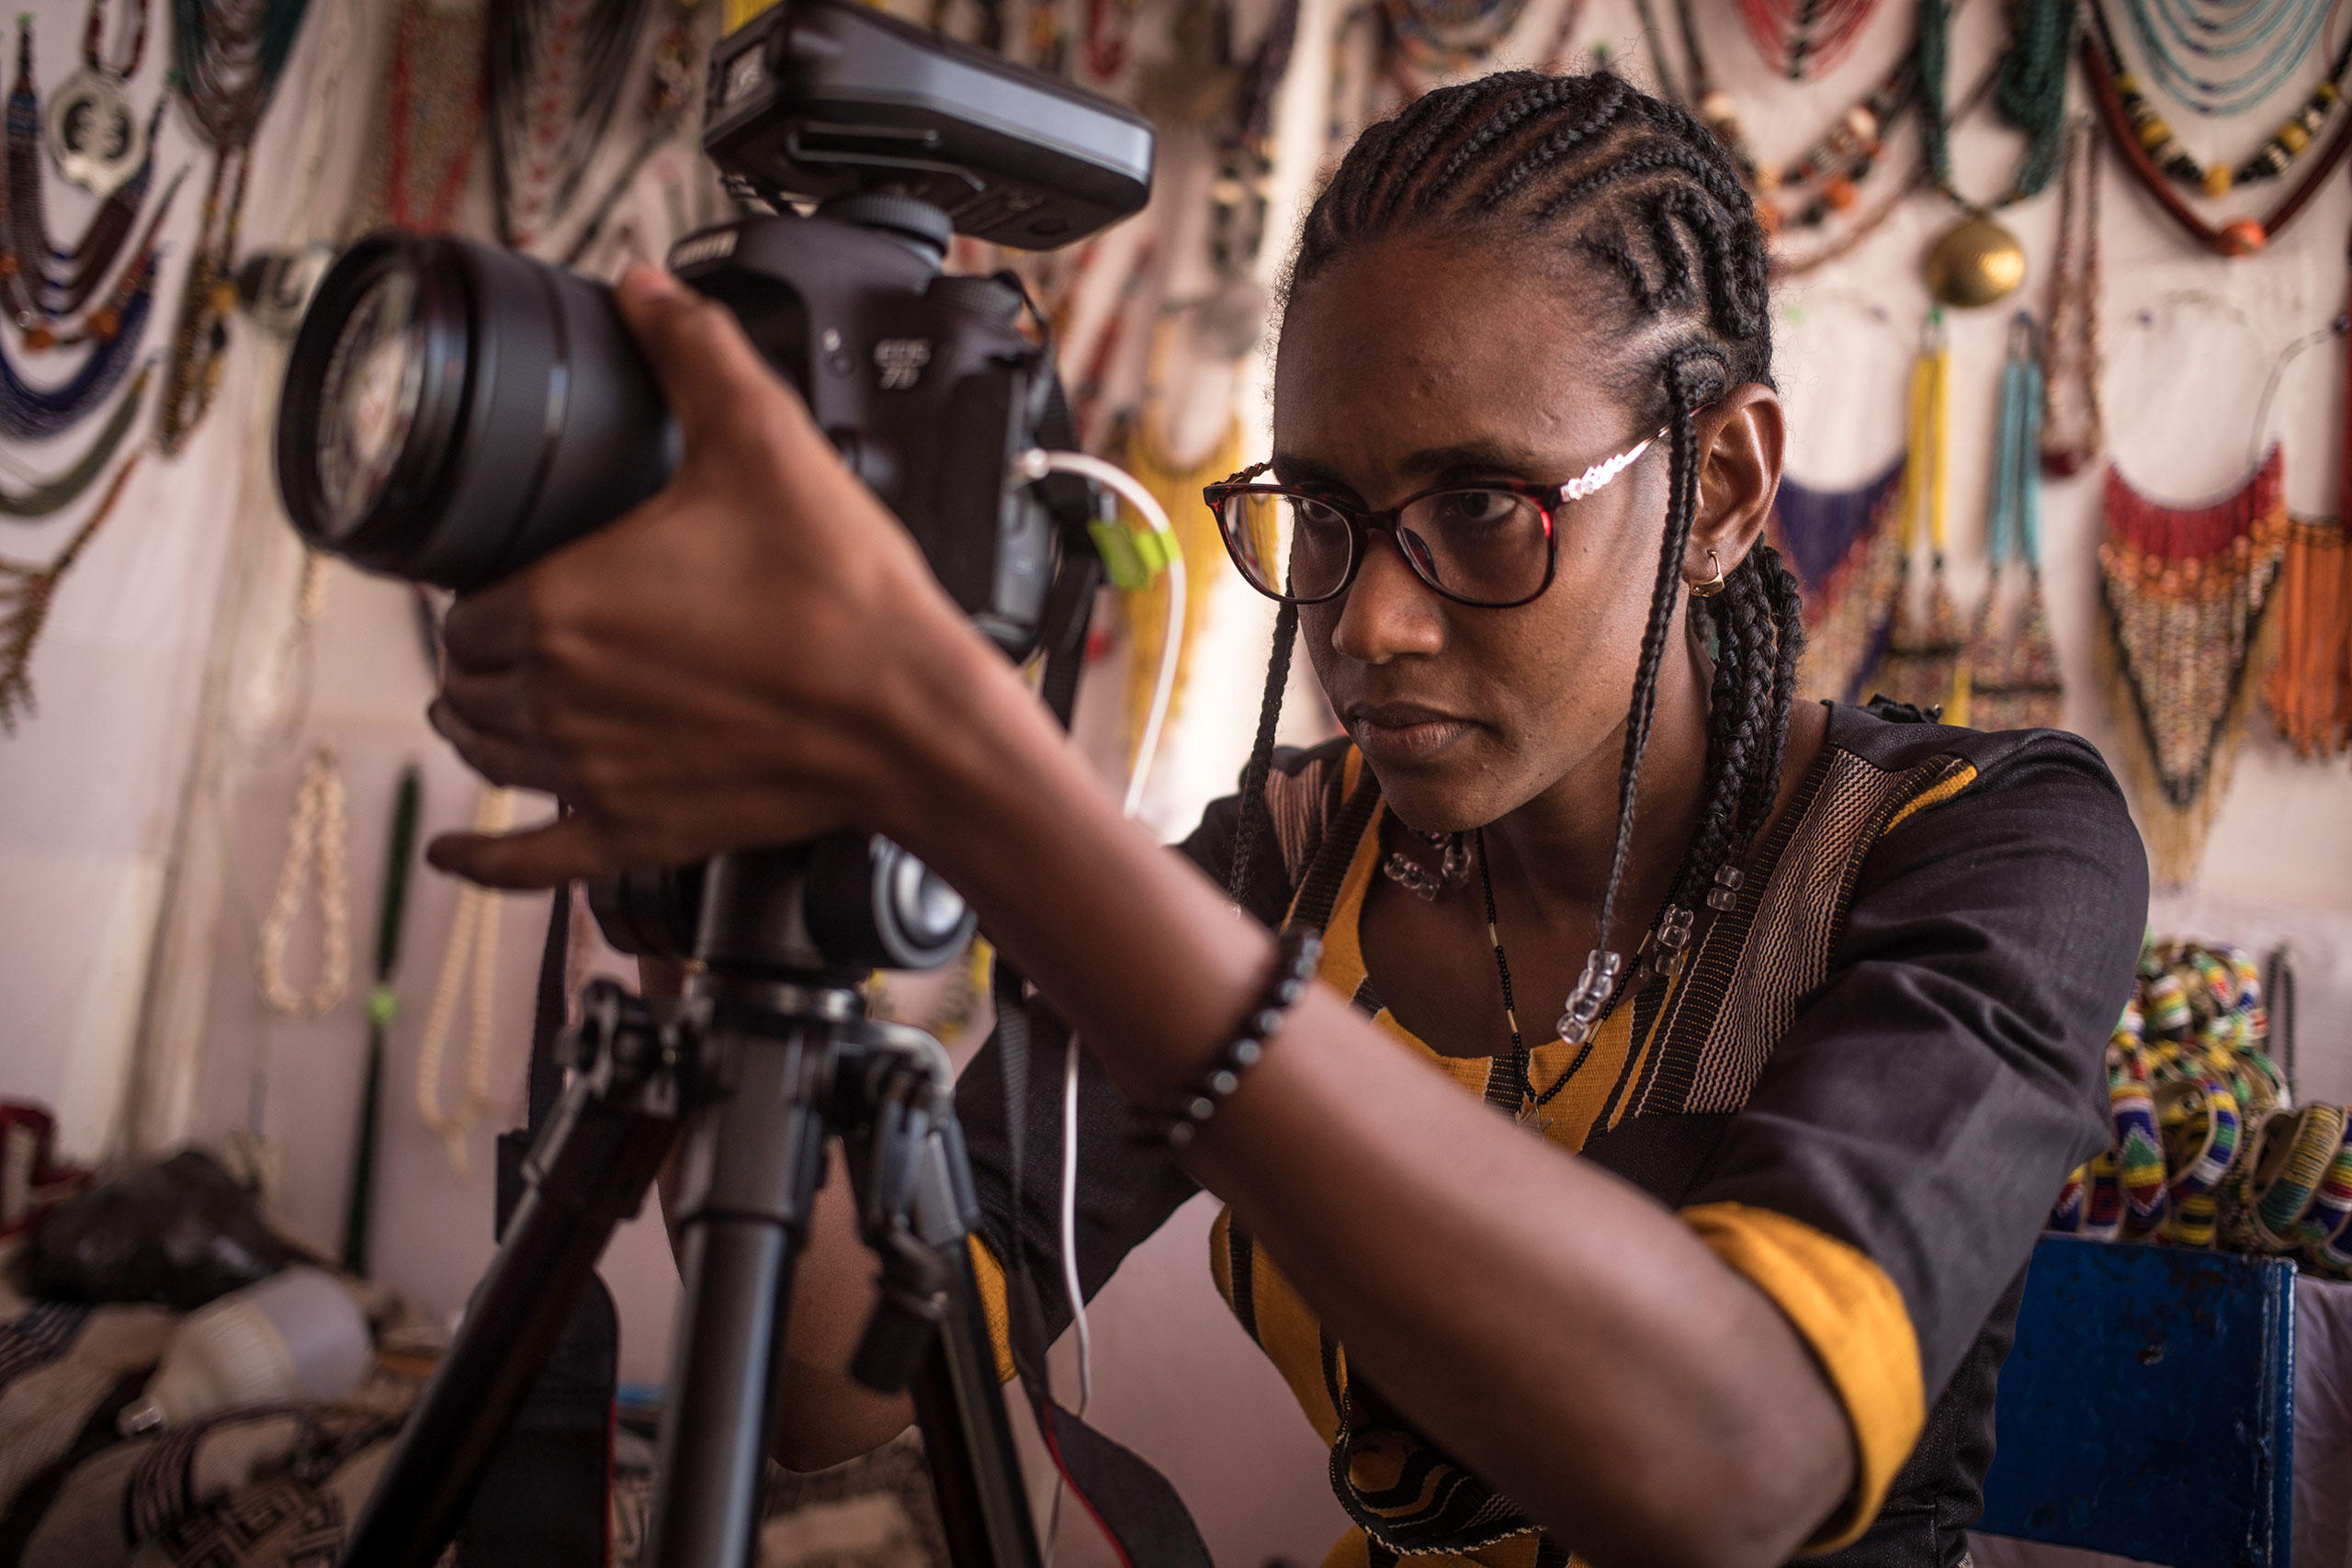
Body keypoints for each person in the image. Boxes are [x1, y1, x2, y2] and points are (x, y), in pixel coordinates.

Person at [427, 69, 2146, 1568]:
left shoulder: (1980, 847)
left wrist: (960, 762)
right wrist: (694, 837)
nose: (1368, 624)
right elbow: (831, 1375)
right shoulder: (1286, 864)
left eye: (1482, 507)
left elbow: (1731, 1461)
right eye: (1318, 513)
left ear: (1723, 488)